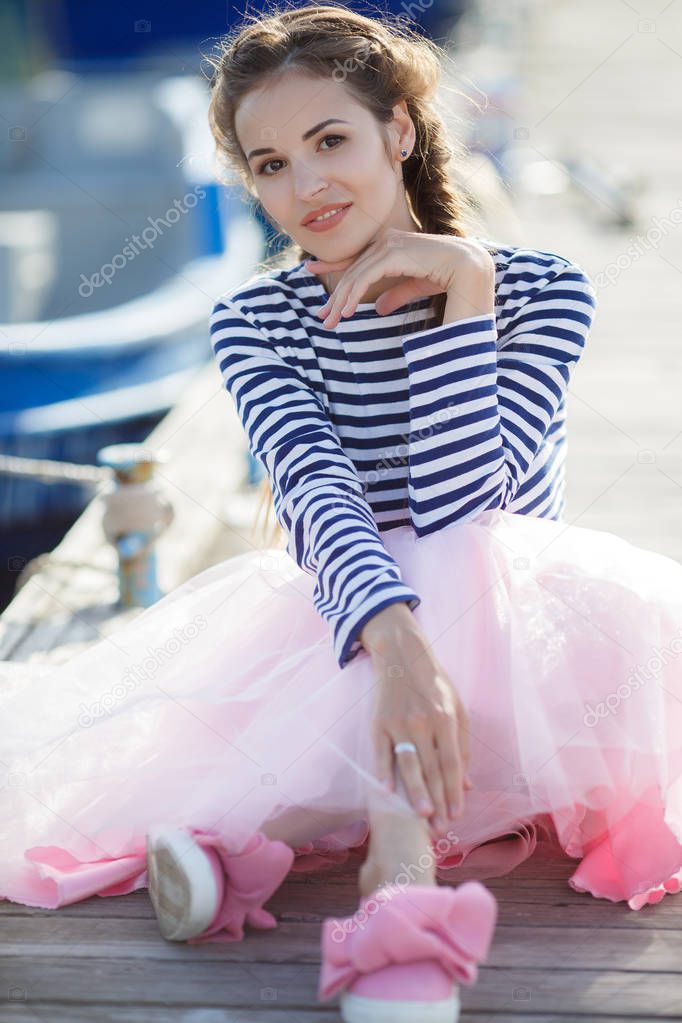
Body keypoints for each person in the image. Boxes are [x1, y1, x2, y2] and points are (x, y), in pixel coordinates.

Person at [2, 4, 682, 1022]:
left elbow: (471, 503)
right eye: (269, 164)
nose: (305, 186)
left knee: (453, 552)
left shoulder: (541, 291)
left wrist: (463, 294)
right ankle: (365, 870)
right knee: (385, 614)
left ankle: (316, 869)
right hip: (364, 630)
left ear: (397, 131)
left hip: (532, 657)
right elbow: (315, 491)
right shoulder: (256, 320)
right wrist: (398, 647)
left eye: (331, 142)